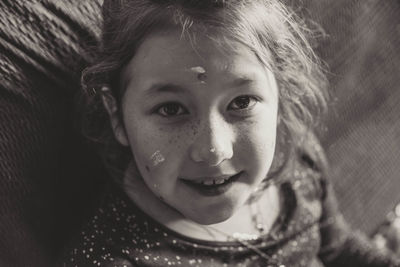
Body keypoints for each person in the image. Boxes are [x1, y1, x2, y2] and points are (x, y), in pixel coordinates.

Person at [61, 0, 400, 266]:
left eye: (241, 102)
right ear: (116, 115)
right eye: (171, 109)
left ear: (281, 94)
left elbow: (338, 249)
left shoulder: (298, 160)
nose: (213, 150)